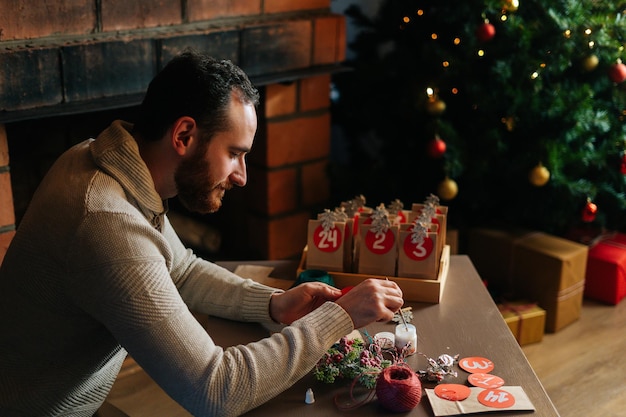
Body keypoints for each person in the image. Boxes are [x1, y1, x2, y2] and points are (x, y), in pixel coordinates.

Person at [0, 49, 403, 417]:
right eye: (234, 154)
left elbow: (183, 270)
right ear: (183, 136)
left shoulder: (102, 161)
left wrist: (275, 305)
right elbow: (218, 390)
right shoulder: (104, 221)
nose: (243, 177)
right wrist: (340, 317)